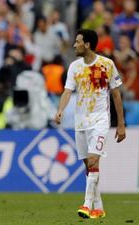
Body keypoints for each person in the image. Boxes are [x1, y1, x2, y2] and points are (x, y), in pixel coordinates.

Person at [55, 29, 126, 219]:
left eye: (77, 42)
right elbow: (67, 91)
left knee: (94, 161)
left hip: (100, 120)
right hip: (81, 123)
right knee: (89, 167)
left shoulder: (107, 65)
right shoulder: (74, 67)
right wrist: (61, 109)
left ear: (87, 44)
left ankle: (86, 205)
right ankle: (99, 208)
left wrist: (120, 123)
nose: (74, 45)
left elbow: (116, 94)